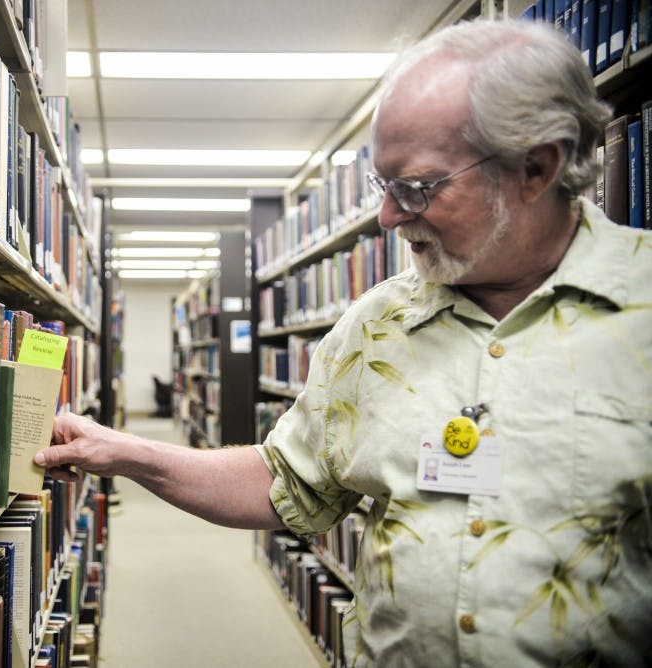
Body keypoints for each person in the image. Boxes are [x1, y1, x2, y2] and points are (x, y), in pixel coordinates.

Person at [35, 18, 652, 666]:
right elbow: (288, 481)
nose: (387, 217)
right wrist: (125, 451)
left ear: (535, 167)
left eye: (415, 187)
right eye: (380, 188)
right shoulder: (377, 323)